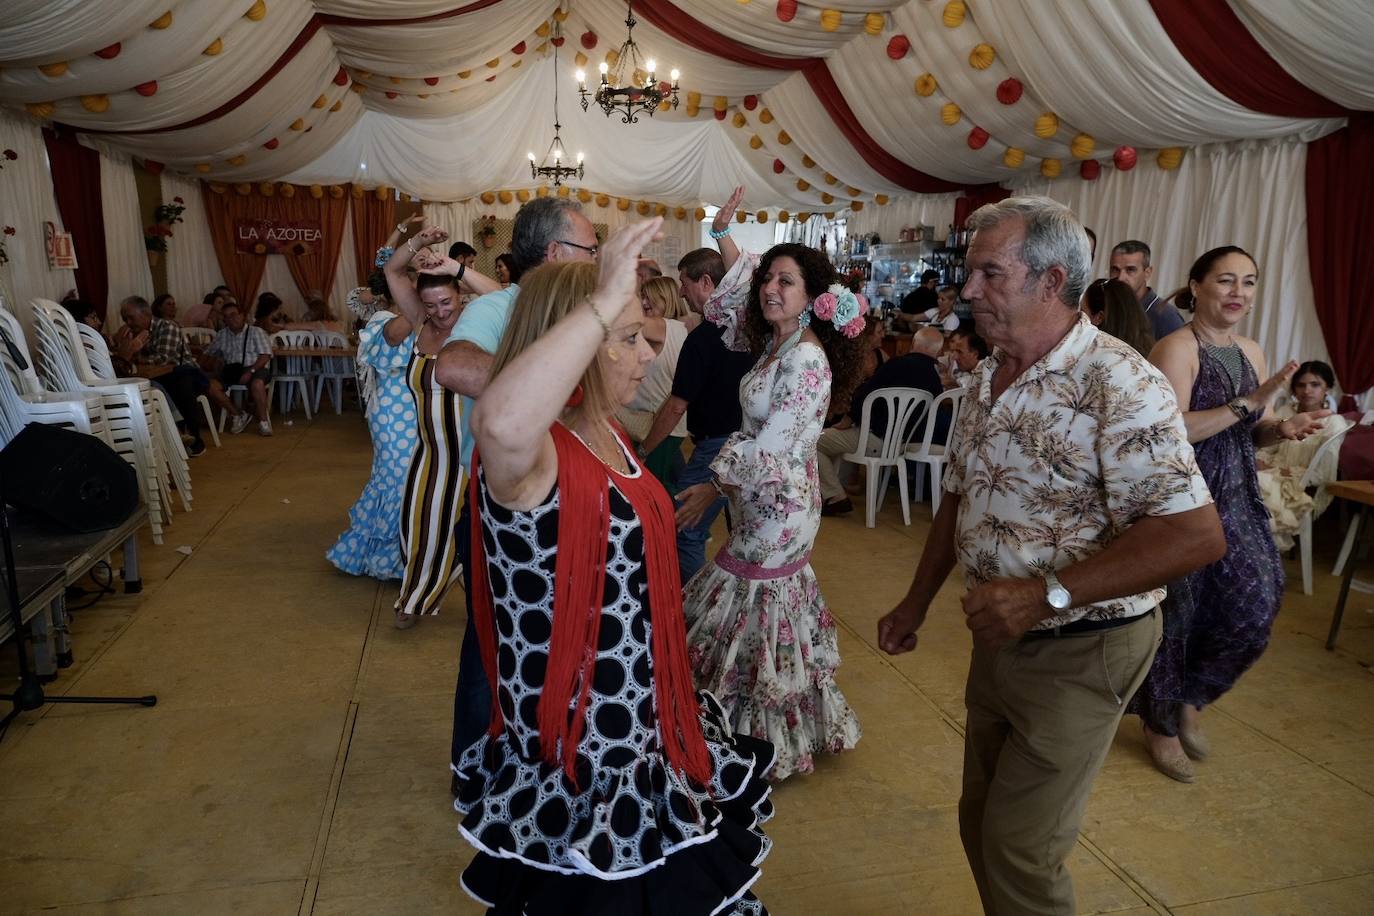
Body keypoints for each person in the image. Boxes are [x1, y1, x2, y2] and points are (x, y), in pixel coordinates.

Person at [877, 197, 1225, 914]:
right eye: (970, 272)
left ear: (1050, 281)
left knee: (1021, 848)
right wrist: (916, 601)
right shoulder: (986, 379)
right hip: (1000, 632)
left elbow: (1194, 535)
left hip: (1084, 642)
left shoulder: (1119, 381)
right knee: (982, 823)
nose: (968, 291)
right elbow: (958, 497)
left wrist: (1046, 595)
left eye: (989, 274)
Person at [454, 219, 774, 915]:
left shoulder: (608, 433)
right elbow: (501, 422)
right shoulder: (535, 457)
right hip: (585, 751)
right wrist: (600, 302)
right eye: (627, 340)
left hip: (639, 727)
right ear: (569, 348)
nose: (645, 358)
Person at [675, 186, 866, 780]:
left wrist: (713, 484)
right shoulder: (774, 346)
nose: (770, 289)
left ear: (812, 298)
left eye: (786, 282)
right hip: (759, 496)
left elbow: (776, 445)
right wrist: (722, 235)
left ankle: (757, 739)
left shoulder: (806, 360)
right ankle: (735, 724)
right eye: (769, 279)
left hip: (781, 504)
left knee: (753, 597)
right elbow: (734, 296)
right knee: (752, 599)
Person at [1132, 246, 1330, 781]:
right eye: (1226, 280)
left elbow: (1250, 431)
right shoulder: (1175, 348)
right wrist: (1253, 403)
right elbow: (1173, 432)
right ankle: (1160, 724)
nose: (1238, 292)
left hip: (1236, 492)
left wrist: (1278, 428)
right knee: (1180, 612)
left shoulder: (1252, 350)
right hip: (1183, 495)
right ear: (1196, 286)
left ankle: (1192, 698)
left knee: (1254, 605)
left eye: (1248, 282)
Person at [435, 196, 601, 783]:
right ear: (556, 253)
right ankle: (473, 771)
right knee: (492, 643)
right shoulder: (504, 305)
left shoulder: (580, 309)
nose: (596, 259)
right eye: (589, 248)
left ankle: (552, 758)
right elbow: (452, 366)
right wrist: (550, 387)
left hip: (574, 501)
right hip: (505, 509)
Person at [383, 226, 498, 630]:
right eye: (430, 305)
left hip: (473, 452)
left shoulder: (478, 323)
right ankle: (417, 594)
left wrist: (455, 267)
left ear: (460, 296)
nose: (440, 312)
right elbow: (392, 272)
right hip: (431, 452)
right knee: (417, 526)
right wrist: (414, 241)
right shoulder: (419, 323)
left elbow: (503, 292)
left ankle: (460, 591)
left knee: (480, 533)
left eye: (446, 301)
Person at [637, 247, 756, 584]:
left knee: (683, 529)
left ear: (706, 281)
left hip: (715, 449)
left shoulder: (704, 337)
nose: (681, 291)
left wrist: (645, 449)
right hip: (742, 444)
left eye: (684, 282)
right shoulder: (748, 332)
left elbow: (676, 405)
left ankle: (691, 611)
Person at [817, 326, 945, 517]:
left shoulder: (895, 365)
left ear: (913, 344)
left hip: (876, 439)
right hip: (903, 444)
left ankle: (835, 496)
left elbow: (864, 396)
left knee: (816, 441)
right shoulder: (934, 379)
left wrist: (848, 418)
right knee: (844, 437)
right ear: (938, 352)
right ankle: (839, 487)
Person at [118, 295, 240, 457]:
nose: (128, 323)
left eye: (131, 318)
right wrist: (128, 350)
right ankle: (174, 436)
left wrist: (135, 353)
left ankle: (193, 437)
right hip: (163, 377)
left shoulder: (166, 328)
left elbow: (163, 359)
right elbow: (126, 363)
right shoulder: (131, 333)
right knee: (152, 386)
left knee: (181, 379)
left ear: (146, 314)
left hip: (189, 374)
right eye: (125, 319)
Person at [1256, 360, 1354, 552]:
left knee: (1257, 484)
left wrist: (1278, 471)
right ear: (1293, 389)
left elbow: (1322, 473)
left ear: (1328, 387)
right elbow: (1265, 450)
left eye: (1315, 384)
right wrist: (1259, 462)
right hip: (1270, 471)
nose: (1307, 390)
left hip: (1300, 481)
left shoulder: (1334, 422)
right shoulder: (1285, 412)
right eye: (1301, 385)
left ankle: (1260, 555)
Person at [616, 275, 686, 484]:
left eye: (651, 298)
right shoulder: (682, 329)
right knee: (670, 478)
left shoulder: (662, 326)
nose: (645, 302)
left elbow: (624, 322)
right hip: (664, 425)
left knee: (653, 485)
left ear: (667, 299)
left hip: (657, 426)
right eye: (642, 296)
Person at [204, 300, 271, 436]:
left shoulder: (256, 332)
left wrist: (250, 371)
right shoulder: (222, 335)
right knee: (210, 385)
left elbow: (265, 356)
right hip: (232, 370)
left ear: (243, 316)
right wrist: (210, 365)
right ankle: (237, 414)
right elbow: (209, 353)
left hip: (255, 368)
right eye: (226, 316)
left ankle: (264, 422)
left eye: (234, 314)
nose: (230, 319)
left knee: (257, 384)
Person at [1109, 240, 1185, 341]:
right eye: (1115, 270)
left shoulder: (1166, 316)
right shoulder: (1104, 305)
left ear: (1147, 273)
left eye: (1130, 270)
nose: (1121, 277)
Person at [1083, 277, 1156, 357]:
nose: (1078, 316)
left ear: (1099, 318)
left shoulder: (1093, 357)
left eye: (1082, 311)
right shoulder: (1150, 353)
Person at [938, 321, 987, 390]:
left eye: (959, 352)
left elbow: (973, 383)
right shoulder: (964, 371)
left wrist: (953, 383)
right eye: (953, 351)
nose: (955, 357)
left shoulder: (987, 370)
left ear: (975, 354)